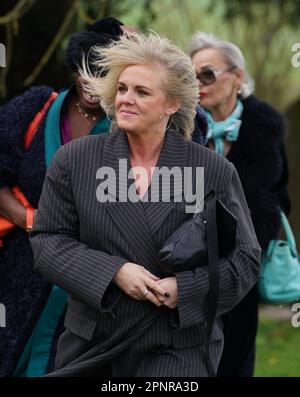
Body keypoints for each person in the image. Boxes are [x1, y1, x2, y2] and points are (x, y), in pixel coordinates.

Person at [29, 32, 261, 377]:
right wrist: (115, 272)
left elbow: (245, 258)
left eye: (141, 92)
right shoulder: (74, 160)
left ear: (172, 104)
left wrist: (186, 289)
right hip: (93, 345)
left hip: (178, 347)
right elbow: (48, 242)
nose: (125, 99)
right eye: (122, 89)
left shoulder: (212, 169)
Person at [0, 17, 128, 377]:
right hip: (20, 273)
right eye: (87, 67)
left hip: (91, 284)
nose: (92, 81)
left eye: (106, 72)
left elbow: (191, 125)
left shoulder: (132, 123)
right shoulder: (36, 107)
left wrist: (156, 58)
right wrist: (33, 222)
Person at [188, 31, 291, 377]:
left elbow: (277, 200)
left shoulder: (265, 131)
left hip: (242, 272)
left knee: (234, 364)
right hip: (186, 272)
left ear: (237, 77)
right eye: (191, 76)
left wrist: (242, 258)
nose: (199, 83)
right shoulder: (179, 128)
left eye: (207, 73)